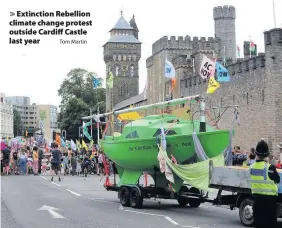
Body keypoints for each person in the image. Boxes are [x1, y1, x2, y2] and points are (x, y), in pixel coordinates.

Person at [250, 140, 280, 228]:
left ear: (256, 154)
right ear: (267, 155)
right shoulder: (270, 168)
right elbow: (277, 180)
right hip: (269, 203)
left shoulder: (251, 168)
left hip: (257, 202)